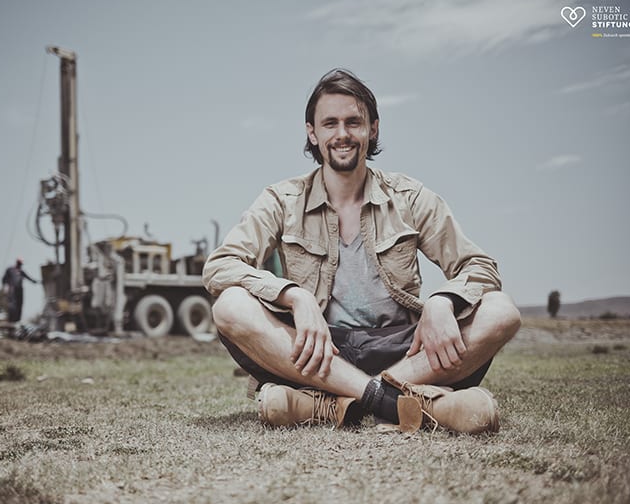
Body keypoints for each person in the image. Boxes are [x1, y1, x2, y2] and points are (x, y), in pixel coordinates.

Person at [202, 69, 521, 434]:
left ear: (373, 129)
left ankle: (334, 403)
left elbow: (479, 266)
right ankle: (399, 403)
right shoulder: (281, 200)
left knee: (502, 310)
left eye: (354, 122)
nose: (342, 134)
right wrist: (295, 297)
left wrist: (443, 301)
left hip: (403, 350)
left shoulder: (410, 197)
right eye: (330, 123)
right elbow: (221, 266)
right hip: (321, 351)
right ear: (312, 132)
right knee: (229, 306)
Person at [2, 258, 38, 323]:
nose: (20, 266)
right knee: (12, 304)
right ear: (17, 263)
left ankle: (17, 320)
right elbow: (4, 279)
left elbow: (29, 277)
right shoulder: (10, 269)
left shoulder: (21, 271)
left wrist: (34, 281)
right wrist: (5, 287)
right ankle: (11, 319)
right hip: (12, 289)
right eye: (19, 264)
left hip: (19, 290)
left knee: (19, 304)